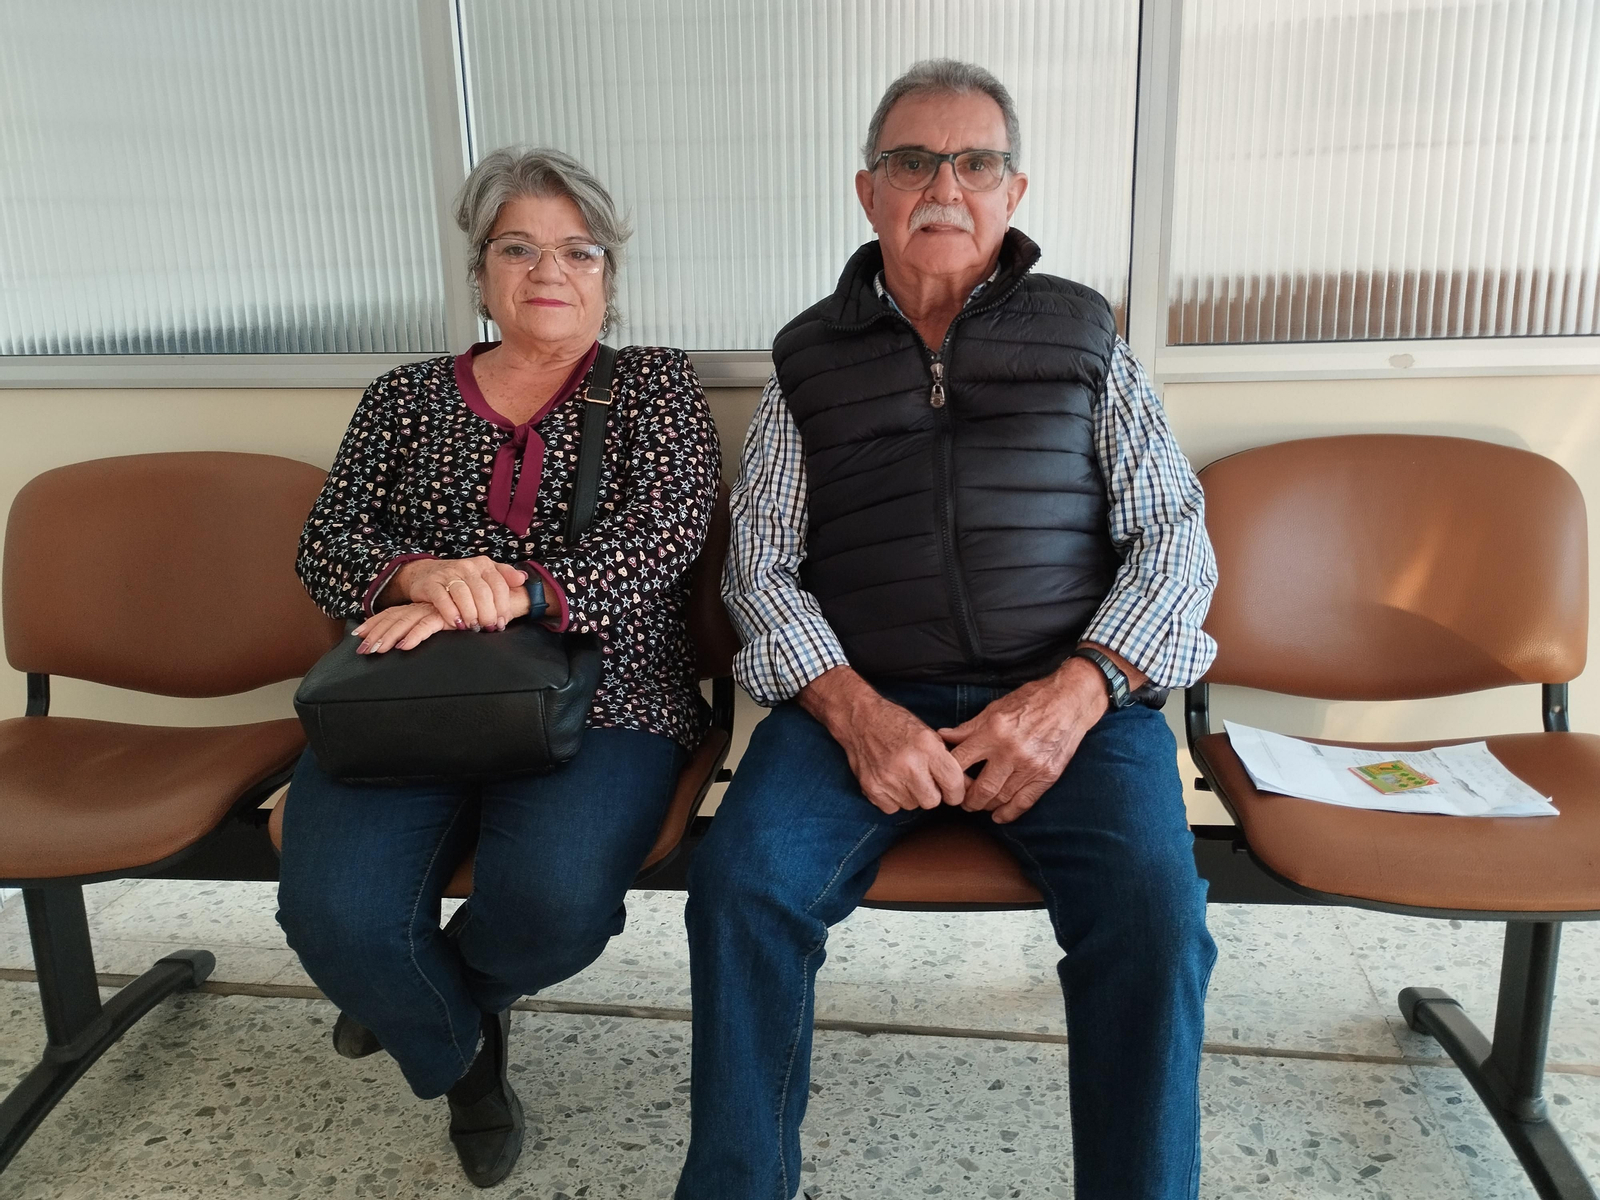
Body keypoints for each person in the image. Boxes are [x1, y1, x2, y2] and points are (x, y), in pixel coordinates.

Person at [677, 61, 1219, 1200]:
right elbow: (760, 569)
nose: (943, 184)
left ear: (1012, 191)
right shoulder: (805, 363)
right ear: (866, 192)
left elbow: (1175, 536)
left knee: (1156, 917)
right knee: (742, 888)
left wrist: (1077, 692)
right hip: (858, 702)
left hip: (1071, 699)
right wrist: (853, 710)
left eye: (973, 162)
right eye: (911, 161)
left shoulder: (1085, 336)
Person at [276, 147, 720, 1189]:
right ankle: (466, 1061)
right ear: (479, 272)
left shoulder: (654, 385)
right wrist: (422, 574)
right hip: (405, 698)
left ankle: (423, 1003)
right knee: (333, 915)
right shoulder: (402, 397)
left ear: (609, 274)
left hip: (611, 694)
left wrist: (514, 591)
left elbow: (666, 538)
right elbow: (326, 540)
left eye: (578, 250)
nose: (547, 270)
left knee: (555, 906)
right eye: (516, 247)